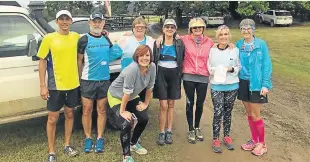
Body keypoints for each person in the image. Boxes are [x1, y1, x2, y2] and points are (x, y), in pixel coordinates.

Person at [37, 10, 80, 162]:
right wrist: (43, 85)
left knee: (69, 114)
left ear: (71, 21)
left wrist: (106, 34)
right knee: (52, 118)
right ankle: (51, 151)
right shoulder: (49, 38)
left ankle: (67, 144)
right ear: (56, 22)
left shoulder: (76, 37)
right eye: (61, 19)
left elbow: (92, 38)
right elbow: (42, 61)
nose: (64, 22)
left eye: (67, 19)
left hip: (73, 84)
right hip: (55, 85)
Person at [77, 12, 122, 153]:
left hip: (103, 80)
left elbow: (114, 52)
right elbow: (79, 60)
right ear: (90, 23)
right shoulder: (83, 40)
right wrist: (80, 79)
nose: (97, 24)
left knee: (102, 110)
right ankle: (88, 138)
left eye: (99, 22)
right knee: (87, 110)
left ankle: (100, 138)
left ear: (103, 23)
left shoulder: (106, 39)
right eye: (94, 22)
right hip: (87, 80)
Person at [106, 45, 156, 162]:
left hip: (132, 95)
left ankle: (133, 143)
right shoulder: (132, 69)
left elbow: (150, 87)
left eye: (147, 55)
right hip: (117, 96)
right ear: (136, 57)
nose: (145, 58)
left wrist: (145, 103)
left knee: (143, 118)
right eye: (141, 55)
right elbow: (126, 92)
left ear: (151, 56)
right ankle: (126, 155)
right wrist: (123, 111)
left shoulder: (152, 67)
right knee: (126, 123)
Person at [236, 19, 272, 156]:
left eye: (248, 28)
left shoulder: (261, 44)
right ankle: (254, 140)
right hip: (243, 83)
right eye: (243, 29)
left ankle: (262, 144)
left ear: (253, 29)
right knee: (249, 114)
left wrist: (265, 84)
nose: (246, 31)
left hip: (256, 84)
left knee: (256, 115)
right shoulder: (239, 44)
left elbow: (267, 65)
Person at [180, 18, 214, 144]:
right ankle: (190, 129)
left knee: (200, 103)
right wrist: (159, 38)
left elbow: (220, 48)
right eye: (195, 28)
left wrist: (231, 45)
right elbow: (170, 36)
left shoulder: (209, 42)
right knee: (190, 103)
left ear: (203, 28)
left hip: (203, 77)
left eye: (200, 27)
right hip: (188, 76)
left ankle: (197, 127)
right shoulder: (184, 39)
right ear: (190, 29)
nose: (197, 29)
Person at [208, 25, 240, 153]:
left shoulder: (234, 50)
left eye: (226, 34)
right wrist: (220, 70)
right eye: (221, 35)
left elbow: (239, 66)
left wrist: (231, 69)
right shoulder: (212, 51)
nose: (223, 37)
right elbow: (209, 67)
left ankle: (226, 136)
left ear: (229, 36)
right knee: (218, 112)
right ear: (217, 37)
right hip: (217, 86)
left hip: (232, 85)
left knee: (228, 112)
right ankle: (216, 138)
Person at [153, 19, 185, 145]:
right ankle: (161, 131)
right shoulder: (157, 42)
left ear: (175, 29)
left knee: (171, 104)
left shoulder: (179, 43)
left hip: (175, 73)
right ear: (163, 29)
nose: (170, 29)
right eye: (167, 27)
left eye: (172, 27)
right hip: (161, 73)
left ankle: (169, 130)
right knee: (163, 105)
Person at [118, 17, 154, 102]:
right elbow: (110, 54)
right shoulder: (125, 40)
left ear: (146, 29)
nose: (140, 29)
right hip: (128, 79)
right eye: (137, 27)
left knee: (141, 106)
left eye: (142, 27)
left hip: (144, 79)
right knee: (127, 104)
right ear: (133, 28)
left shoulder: (151, 40)